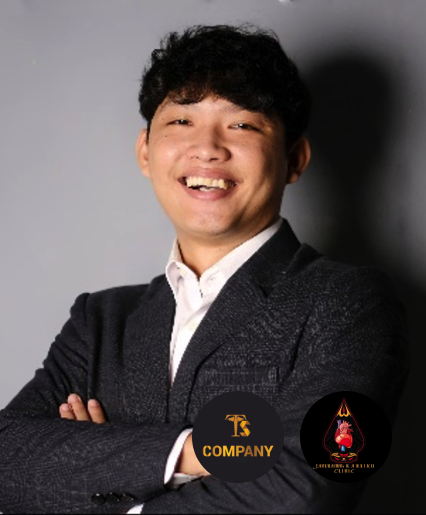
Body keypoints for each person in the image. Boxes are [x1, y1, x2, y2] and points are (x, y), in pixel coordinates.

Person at [0, 25, 408, 514]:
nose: (208, 148)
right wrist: (198, 451)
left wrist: (101, 469)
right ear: (145, 151)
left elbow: (308, 489)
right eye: (181, 121)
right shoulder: (101, 321)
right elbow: (6, 461)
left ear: (295, 159)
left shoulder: (350, 302)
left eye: (242, 125)